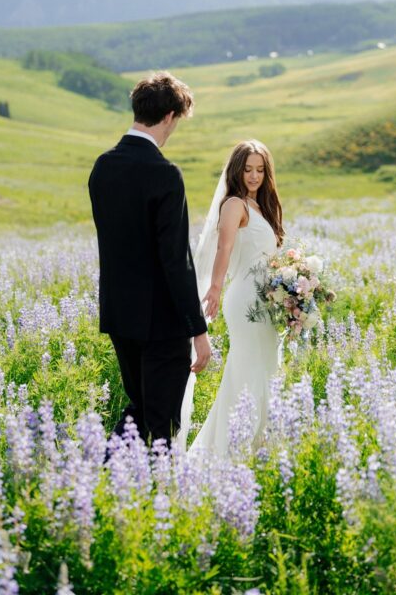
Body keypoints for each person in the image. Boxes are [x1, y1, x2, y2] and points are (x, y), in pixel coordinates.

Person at [88, 71, 211, 445]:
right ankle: (133, 479)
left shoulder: (102, 167)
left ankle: (100, 474)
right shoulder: (164, 174)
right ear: (170, 116)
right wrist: (197, 329)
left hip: (120, 315)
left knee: (141, 412)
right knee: (162, 426)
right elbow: (176, 260)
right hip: (162, 322)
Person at [181, 139, 284, 456]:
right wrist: (214, 287)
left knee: (267, 369)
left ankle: (259, 446)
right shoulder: (234, 205)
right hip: (245, 300)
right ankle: (227, 450)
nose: (254, 176)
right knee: (246, 371)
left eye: (260, 170)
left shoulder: (261, 207)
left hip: (267, 302)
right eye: (248, 169)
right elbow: (224, 248)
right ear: (237, 171)